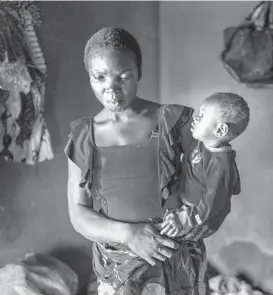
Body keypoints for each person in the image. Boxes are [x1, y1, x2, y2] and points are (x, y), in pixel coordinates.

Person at [65, 27, 230, 295]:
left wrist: (209, 216)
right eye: (100, 77)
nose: (111, 87)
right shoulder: (83, 138)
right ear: (89, 77)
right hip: (120, 272)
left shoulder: (175, 121)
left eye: (124, 76)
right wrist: (130, 235)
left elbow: (212, 176)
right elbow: (78, 213)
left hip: (178, 264)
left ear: (139, 72)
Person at [159, 93, 250, 238]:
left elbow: (212, 204)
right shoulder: (202, 142)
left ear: (220, 130)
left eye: (202, 116)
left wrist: (184, 219)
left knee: (164, 236)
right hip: (180, 200)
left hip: (191, 215)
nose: (195, 118)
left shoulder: (221, 165)